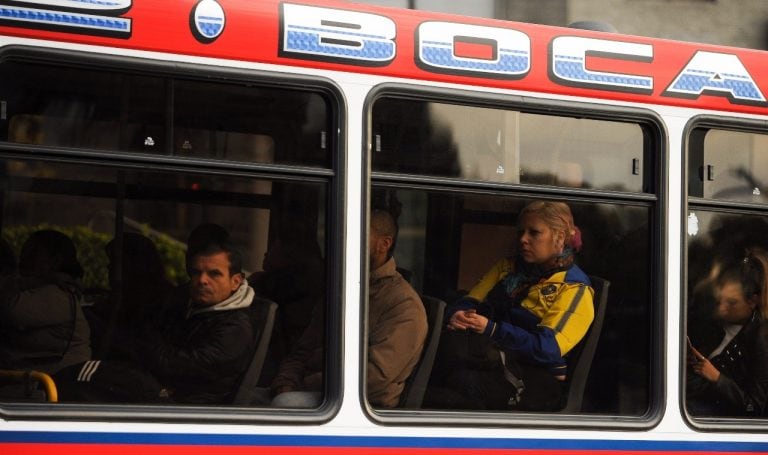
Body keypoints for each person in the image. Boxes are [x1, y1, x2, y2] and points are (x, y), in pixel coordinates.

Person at [426, 200, 594, 412]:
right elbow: (470, 300)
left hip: (535, 378)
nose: (523, 239)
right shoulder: (508, 267)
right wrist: (457, 315)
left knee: (460, 381)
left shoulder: (574, 287)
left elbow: (548, 349)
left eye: (534, 233)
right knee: (442, 357)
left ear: (559, 238)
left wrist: (492, 329)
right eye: (520, 232)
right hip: (492, 359)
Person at [268, 209, 427, 408]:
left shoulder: (403, 304)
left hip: (359, 406)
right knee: (246, 403)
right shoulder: (341, 288)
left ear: (384, 244)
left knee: (284, 404)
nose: (345, 243)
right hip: (314, 390)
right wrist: (285, 383)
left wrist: (301, 385)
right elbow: (303, 349)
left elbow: (375, 376)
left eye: (357, 234)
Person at [128, 240, 257, 404]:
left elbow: (175, 367)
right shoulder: (188, 306)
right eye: (196, 272)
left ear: (235, 282)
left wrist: (147, 346)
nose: (202, 280)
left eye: (214, 274)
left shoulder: (235, 328)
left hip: (188, 408)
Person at [686, 248, 768, 417]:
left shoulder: (761, 340)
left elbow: (755, 406)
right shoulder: (712, 325)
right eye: (719, 300)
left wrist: (716, 377)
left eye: (732, 303)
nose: (721, 309)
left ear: (753, 301)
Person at [0, 230, 91, 375]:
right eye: (23, 252)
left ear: (55, 261)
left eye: (32, 254)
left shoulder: (60, 293)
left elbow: (8, 309)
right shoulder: (37, 287)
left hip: (58, 381)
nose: (22, 259)